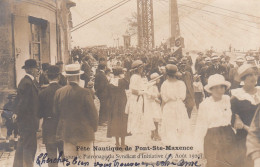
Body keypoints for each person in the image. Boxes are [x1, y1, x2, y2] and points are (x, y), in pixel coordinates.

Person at [54, 64, 98, 165]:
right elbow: (93, 114)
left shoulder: (59, 92)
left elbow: (56, 113)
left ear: (66, 77)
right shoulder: (86, 92)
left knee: (70, 162)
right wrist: (94, 128)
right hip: (84, 133)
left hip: (67, 133)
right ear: (79, 77)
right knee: (85, 162)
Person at [195, 74, 236, 167]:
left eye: (222, 87)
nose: (219, 90)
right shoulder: (205, 105)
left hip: (228, 135)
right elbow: (200, 127)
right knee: (214, 163)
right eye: (216, 87)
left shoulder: (228, 100)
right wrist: (198, 147)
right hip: (212, 138)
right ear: (211, 89)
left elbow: (234, 116)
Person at [231, 64, 260, 167]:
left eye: (255, 74)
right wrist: (237, 121)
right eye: (250, 75)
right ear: (243, 78)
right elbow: (232, 118)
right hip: (245, 138)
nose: (254, 77)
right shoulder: (237, 97)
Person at [13, 59, 39, 167]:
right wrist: (19, 115)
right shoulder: (27, 83)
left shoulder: (28, 82)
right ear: (30, 69)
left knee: (23, 144)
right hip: (28, 121)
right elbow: (23, 103)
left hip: (26, 121)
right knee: (29, 146)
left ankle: (18, 165)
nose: (37, 70)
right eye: (36, 68)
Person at [38, 65, 64, 167]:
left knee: (51, 155)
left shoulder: (42, 93)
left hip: (49, 126)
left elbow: (39, 113)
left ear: (47, 78)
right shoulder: (64, 91)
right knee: (66, 154)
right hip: (62, 126)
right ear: (59, 77)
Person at [160, 64, 190, 146]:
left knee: (170, 126)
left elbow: (164, 98)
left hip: (169, 106)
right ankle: (178, 143)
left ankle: (173, 143)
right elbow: (183, 97)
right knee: (179, 124)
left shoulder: (165, 84)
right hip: (179, 105)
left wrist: (163, 106)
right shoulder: (181, 83)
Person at [125, 60, 155, 141]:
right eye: (141, 68)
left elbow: (141, 87)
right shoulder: (135, 77)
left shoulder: (138, 77)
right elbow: (134, 90)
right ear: (137, 69)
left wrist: (149, 85)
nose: (142, 69)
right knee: (136, 116)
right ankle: (136, 136)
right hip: (136, 100)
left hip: (140, 99)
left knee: (141, 116)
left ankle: (140, 135)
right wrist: (144, 92)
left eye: (142, 67)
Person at [107, 67, 129, 149]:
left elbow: (108, 93)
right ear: (120, 73)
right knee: (122, 121)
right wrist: (123, 77)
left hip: (113, 103)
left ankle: (117, 143)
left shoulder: (110, 81)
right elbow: (127, 86)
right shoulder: (122, 81)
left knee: (115, 121)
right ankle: (123, 144)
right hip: (122, 103)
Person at [146, 73, 162, 141]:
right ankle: (156, 133)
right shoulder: (152, 86)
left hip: (154, 103)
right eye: (158, 78)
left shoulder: (154, 86)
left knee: (154, 118)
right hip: (153, 104)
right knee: (155, 118)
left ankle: (154, 133)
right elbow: (149, 95)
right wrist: (157, 98)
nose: (159, 79)